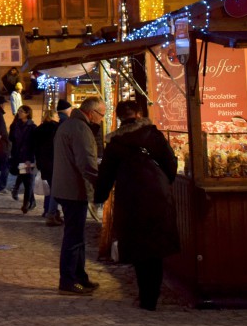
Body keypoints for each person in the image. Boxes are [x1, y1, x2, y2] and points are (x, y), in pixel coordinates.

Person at [95, 99, 179, 310]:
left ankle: (145, 297)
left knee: (139, 249)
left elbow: (106, 174)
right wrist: (164, 183)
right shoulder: (154, 135)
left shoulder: (115, 143)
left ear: (119, 118)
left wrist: (99, 196)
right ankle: (153, 296)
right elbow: (171, 162)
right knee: (156, 249)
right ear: (140, 115)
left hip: (131, 199)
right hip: (158, 197)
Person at [53, 96, 102, 295]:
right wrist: (101, 182)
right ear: (91, 113)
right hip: (73, 189)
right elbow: (86, 163)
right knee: (73, 237)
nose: (102, 119)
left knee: (77, 236)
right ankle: (68, 280)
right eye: (101, 115)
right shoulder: (80, 129)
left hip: (67, 187)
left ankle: (79, 276)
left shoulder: (69, 125)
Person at [33, 105, 62, 225]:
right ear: (52, 116)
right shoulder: (56, 128)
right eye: (56, 116)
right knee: (55, 190)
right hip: (54, 163)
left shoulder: (39, 129)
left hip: (44, 163)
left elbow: (35, 148)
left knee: (52, 188)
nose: (58, 118)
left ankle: (50, 211)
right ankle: (51, 213)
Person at [9, 105, 37, 212]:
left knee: (28, 181)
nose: (19, 113)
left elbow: (34, 143)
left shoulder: (32, 127)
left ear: (27, 113)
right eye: (19, 111)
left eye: (22, 111)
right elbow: (12, 139)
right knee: (25, 181)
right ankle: (32, 201)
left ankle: (26, 203)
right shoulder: (15, 126)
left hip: (28, 158)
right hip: (18, 157)